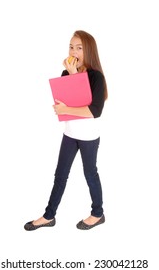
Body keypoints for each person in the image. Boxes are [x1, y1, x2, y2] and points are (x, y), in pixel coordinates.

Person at [24, 30, 108, 231]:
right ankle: (48, 216)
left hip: (88, 136)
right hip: (70, 133)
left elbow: (94, 111)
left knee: (90, 173)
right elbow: (66, 103)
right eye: (71, 47)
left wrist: (73, 77)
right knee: (60, 175)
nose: (74, 51)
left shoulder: (96, 77)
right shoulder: (64, 74)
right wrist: (62, 107)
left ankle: (98, 214)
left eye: (79, 48)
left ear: (89, 51)